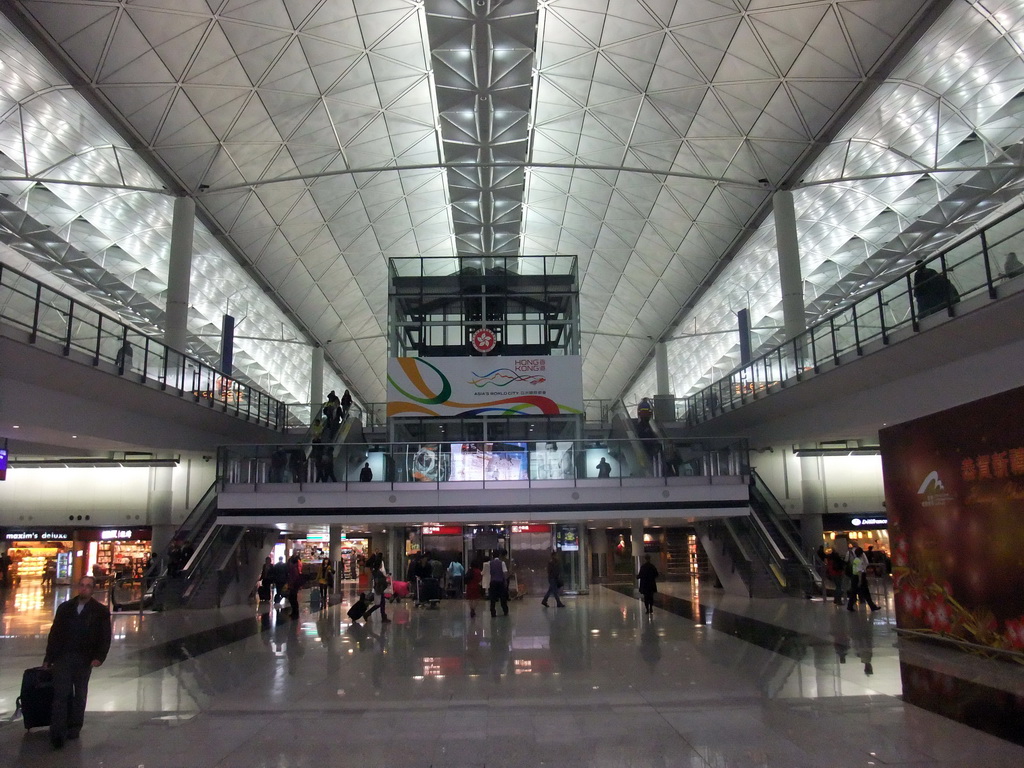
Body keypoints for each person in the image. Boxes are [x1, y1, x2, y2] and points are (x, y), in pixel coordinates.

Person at [43, 575, 112, 748]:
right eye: (81, 585)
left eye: (88, 586)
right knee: (61, 693)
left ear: (93, 589)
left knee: (79, 694)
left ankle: (74, 727)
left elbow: (105, 637)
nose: (84, 589)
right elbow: (55, 634)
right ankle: (58, 731)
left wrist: (99, 657)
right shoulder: (65, 608)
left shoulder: (100, 611)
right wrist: (49, 657)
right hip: (63, 657)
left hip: (84, 659)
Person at [847, 546, 880, 612]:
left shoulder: (855, 560)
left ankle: (850, 606)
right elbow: (860, 571)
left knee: (854, 592)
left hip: (855, 577)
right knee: (865, 592)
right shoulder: (859, 561)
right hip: (859, 577)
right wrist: (860, 581)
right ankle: (872, 606)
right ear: (861, 554)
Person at [363, 559, 391, 624]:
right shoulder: (378, 572)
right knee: (380, 604)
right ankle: (368, 613)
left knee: (381, 603)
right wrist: (386, 581)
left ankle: (382, 616)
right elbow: (379, 581)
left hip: (378, 589)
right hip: (379, 590)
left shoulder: (375, 571)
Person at [488, 549, 509, 617]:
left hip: (493, 582)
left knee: (492, 598)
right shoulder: (502, 563)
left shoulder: (489, 563)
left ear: (492, 556)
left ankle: (493, 612)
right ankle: (505, 610)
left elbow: (489, 573)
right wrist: (505, 581)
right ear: (499, 555)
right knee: (503, 598)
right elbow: (505, 573)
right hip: (500, 582)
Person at [286, 554, 303, 619]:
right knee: (293, 598)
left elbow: (294, 577)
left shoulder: (293, 568)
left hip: (293, 585)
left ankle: (295, 612)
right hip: (294, 584)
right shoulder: (295, 568)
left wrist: (292, 584)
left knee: (292, 598)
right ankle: (295, 611)